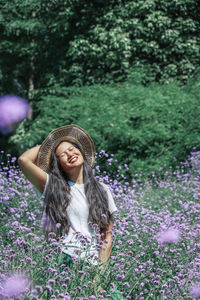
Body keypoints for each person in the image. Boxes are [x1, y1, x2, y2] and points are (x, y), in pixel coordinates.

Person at [18, 124, 118, 295]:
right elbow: (24, 160)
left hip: (94, 263)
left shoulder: (102, 189)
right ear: (59, 164)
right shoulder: (53, 187)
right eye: (63, 154)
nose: (70, 154)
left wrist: (100, 275)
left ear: (81, 152)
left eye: (72, 149)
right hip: (66, 258)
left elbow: (107, 234)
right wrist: (50, 143)